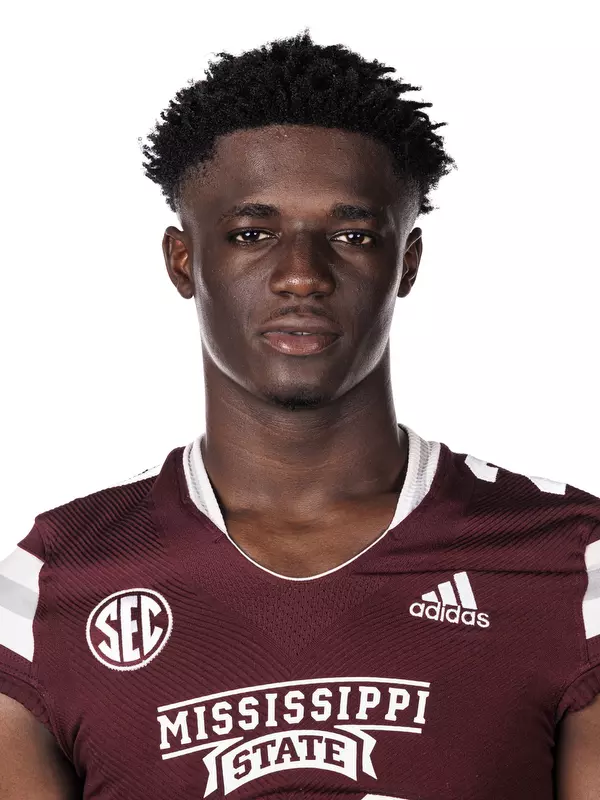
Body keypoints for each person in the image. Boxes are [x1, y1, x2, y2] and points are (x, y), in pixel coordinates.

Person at [0, 28, 598, 800]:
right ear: (183, 261)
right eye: (253, 234)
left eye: (351, 235)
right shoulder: (54, 581)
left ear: (405, 263)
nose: (301, 276)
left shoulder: (569, 565)